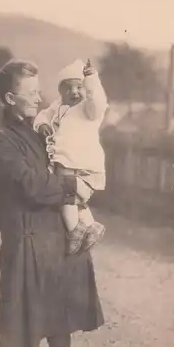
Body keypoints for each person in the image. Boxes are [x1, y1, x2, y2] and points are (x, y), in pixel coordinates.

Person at [0, 59, 104, 347]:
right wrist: (72, 185)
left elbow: (64, 157)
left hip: (54, 234)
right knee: (31, 312)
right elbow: (32, 186)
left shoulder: (41, 131)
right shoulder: (1, 140)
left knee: (61, 311)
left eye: (39, 91)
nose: (39, 99)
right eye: (31, 93)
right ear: (9, 98)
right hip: (26, 237)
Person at [33, 59, 109, 255]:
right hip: (65, 161)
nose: (74, 92)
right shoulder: (57, 106)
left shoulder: (88, 109)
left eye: (79, 87)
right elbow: (42, 114)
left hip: (82, 163)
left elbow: (98, 101)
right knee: (74, 200)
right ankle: (91, 226)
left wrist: (91, 79)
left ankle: (75, 230)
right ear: (60, 92)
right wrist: (41, 124)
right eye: (68, 88)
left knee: (67, 196)